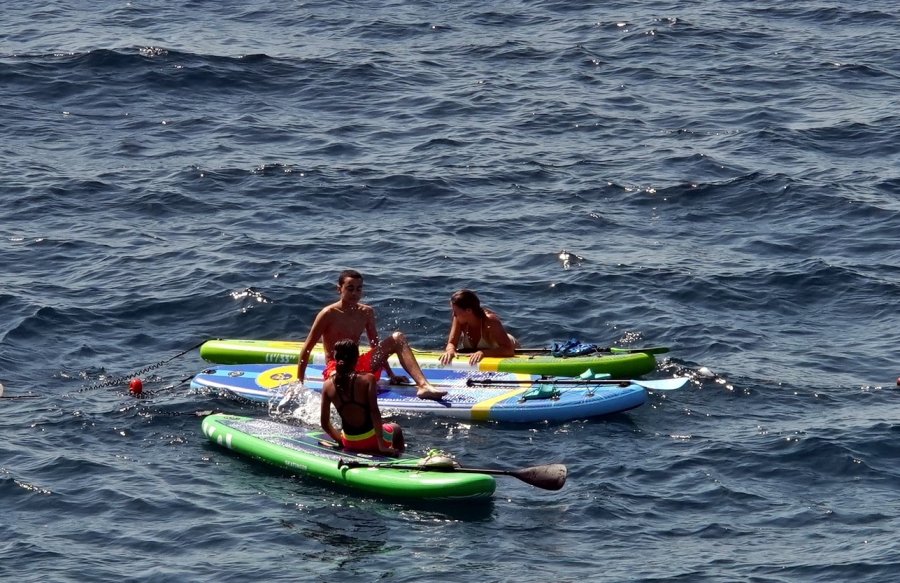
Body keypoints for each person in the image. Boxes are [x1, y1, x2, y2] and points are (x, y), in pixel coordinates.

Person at [297, 269, 447, 400]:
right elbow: (307, 348)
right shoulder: (328, 314)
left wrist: (391, 374)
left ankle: (424, 386)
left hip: (361, 365)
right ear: (339, 289)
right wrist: (300, 383)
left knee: (397, 337)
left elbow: (375, 345)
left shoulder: (366, 312)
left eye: (359, 289)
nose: (355, 293)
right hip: (337, 369)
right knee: (351, 389)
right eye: (350, 289)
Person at [320, 339, 404, 455]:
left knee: (383, 424)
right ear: (356, 359)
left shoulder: (327, 385)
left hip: (349, 441)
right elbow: (374, 412)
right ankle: (397, 457)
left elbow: (324, 423)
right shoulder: (368, 379)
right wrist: (381, 446)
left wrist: (340, 440)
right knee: (396, 428)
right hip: (372, 441)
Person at [439, 289, 518, 366]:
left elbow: (508, 350)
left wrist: (483, 353)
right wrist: (450, 350)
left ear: (469, 311)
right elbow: (451, 343)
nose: (454, 314)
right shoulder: (458, 318)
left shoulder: (489, 320)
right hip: (480, 348)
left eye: (455, 311)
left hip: (507, 343)